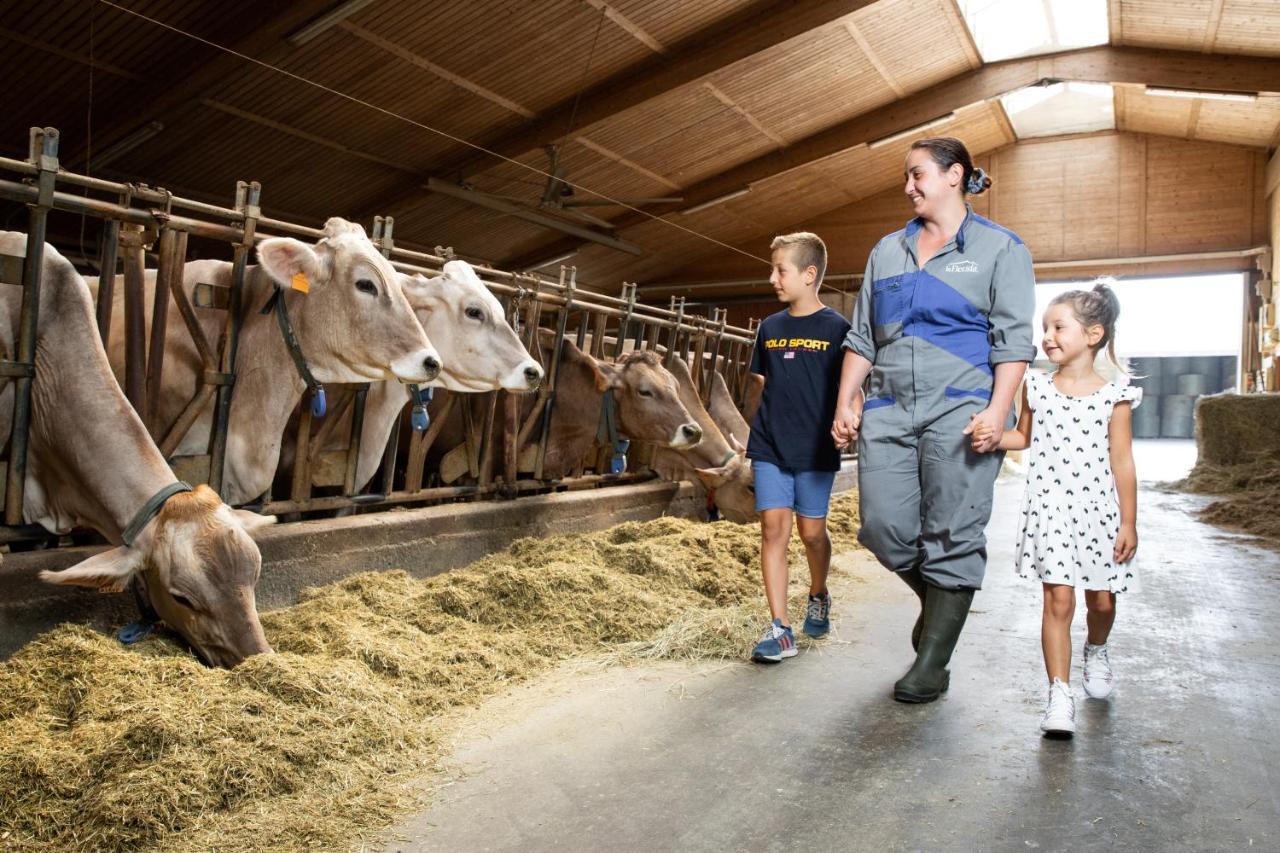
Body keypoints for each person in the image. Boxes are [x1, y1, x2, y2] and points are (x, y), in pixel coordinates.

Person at [831, 137, 1035, 702]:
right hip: (890, 406)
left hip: (963, 407)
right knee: (882, 527)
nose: (908, 186)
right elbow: (863, 337)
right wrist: (847, 400)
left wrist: (998, 410)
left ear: (954, 175)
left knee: (953, 530)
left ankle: (933, 662)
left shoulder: (1000, 249)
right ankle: (940, 607)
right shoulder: (887, 251)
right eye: (906, 176)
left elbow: (1014, 340)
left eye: (917, 174)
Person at [970, 282, 1139, 737]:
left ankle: (1097, 649)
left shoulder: (1116, 395)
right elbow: (1022, 437)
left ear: (1093, 334)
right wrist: (992, 437)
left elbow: (1122, 460)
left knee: (1101, 602)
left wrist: (1128, 521)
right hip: (1050, 508)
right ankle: (1058, 695)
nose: (1047, 335)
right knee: (1058, 599)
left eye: (1058, 326)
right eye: (1044, 327)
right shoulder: (1037, 386)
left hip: (1100, 511)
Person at [747, 232, 851, 663]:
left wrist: (851, 416)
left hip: (815, 447)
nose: (773, 278)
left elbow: (852, 385)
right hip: (769, 444)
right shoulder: (769, 328)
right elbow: (759, 385)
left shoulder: (837, 329)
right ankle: (779, 628)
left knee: (811, 533)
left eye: (780, 270)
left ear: (809, 276)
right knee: (774, 530)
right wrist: (748, 431)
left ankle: (818, 592)